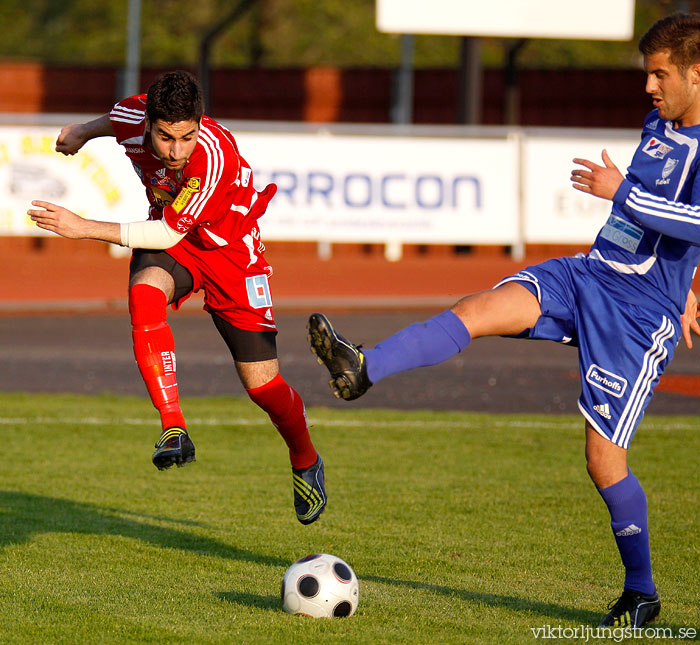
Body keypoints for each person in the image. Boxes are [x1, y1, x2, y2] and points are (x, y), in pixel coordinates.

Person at [306, 12, 700, 626]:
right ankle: (363, 367)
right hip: (590, 273)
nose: (650, 87)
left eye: (660, 74)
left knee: (603, 462)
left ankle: (642, 590)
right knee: (478, 309)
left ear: (697, 73)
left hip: (637, 316)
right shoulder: (659, 124)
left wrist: (633, 209)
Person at [28, 70, 326, 525]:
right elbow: (115, 119)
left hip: (231, 250)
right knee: (144, 292)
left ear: (199, 124)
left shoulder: (212, 156)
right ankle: (173, 426)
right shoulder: (133, 114)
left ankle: (305, 458)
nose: (176, 151)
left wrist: (82, 227)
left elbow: (165, 229)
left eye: (186, 137)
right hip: (178, 241)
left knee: (263, 386)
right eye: (166, 138)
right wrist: (83, 133)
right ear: (149, 122)